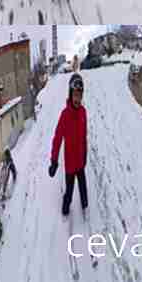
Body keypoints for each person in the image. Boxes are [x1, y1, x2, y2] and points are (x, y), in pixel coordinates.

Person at [48, 73, 89, 216]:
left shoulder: (83, 113)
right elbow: (57, 138)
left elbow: (84, 137)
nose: (77, 99)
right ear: (70, 94)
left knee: (84, 188)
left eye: (80, 95)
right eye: (75, 95)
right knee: (69, 191)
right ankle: (65, 211)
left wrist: (85, 155)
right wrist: (54, 160)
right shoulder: (65, 115)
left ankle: (85, 207)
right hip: (70, 165)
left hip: (80, 161)